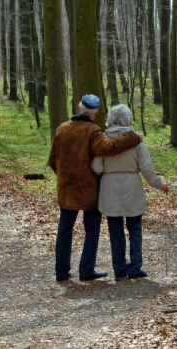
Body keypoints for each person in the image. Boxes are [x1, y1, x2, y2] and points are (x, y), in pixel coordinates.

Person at [48, 94, 142, 282]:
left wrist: (65, 178)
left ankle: (61, 271)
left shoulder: (62, 129)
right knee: (91, 229)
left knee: (64, 229)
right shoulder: (93, 131)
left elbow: (52, 160)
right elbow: (107, 148)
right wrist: (132, 138)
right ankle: (86, 270)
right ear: (95, 113)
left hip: (66, 190)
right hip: (89, 191)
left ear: (79, 107)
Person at [92, 104, 168, 280]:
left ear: (110, 119)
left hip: (110, 188)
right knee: (135, 229)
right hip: (132, 187)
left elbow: (96, 167)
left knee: (115, 230)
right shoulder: (136, 140)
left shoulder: (104, 140)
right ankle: (135, 267)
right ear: (127, 119)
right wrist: (159, 184)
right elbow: (146, 168)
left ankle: (119, 268)